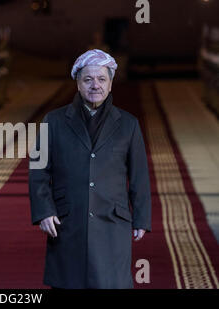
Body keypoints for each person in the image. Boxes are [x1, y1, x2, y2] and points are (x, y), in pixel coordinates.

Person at [29, 49, 151, 289]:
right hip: (67, 222)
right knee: (69, 282)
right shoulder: (53, 121)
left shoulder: (128, 124)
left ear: (111, 84)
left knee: (111, 283)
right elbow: (38, 172)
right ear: (78, 83)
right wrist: (43, 211)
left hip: (113, 223)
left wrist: (141, 219)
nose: (95, 85)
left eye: (101, 79)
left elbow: (139, 177)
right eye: (88, 79)